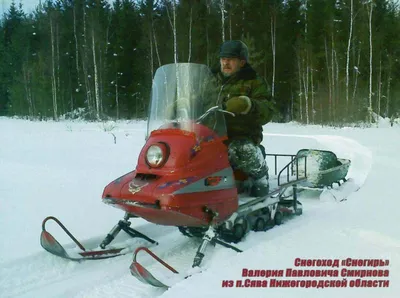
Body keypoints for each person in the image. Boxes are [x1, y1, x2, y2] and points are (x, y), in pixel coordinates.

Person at [212, 40, 275, 197]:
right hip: (211, 133)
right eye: (223, 58)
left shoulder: (254, 81)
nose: (225, 63)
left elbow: (268, 110)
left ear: (242, 62)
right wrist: (183, 102)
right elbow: (197, 100)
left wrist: (248, 104)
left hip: (241, 134)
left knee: (239, 148)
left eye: (231, 59)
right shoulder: (210, 81)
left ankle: (260, 176)